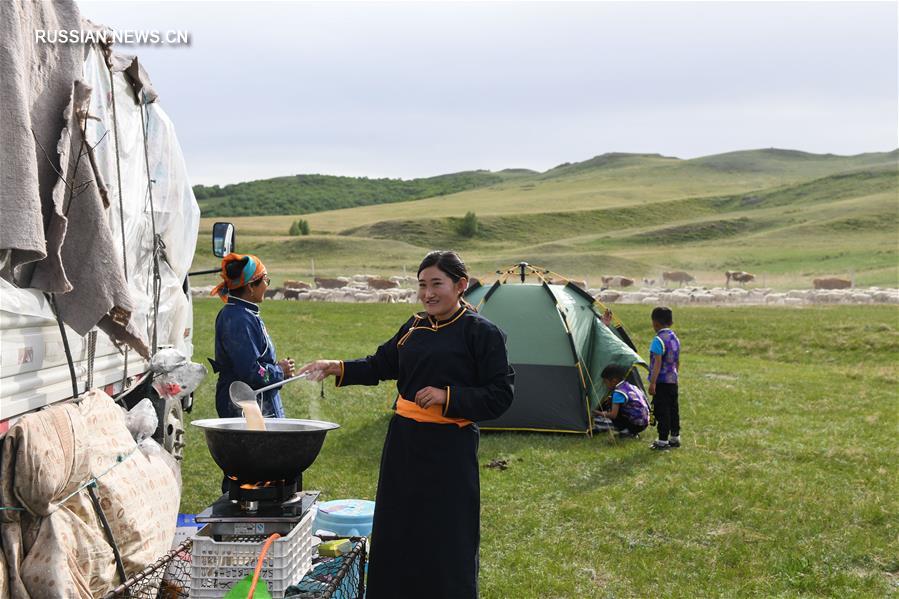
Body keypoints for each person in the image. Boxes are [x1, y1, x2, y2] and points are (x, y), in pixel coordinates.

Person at [299, 251, 514, 599]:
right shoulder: (413, 326)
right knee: (397, 529)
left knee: (446, 534)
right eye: (422, 285)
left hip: (449, 449)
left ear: (460, 286)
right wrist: (337, 366)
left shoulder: (483, 334)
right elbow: (380, 364)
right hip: (404, 443)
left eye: (436, 284)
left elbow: (501, 395)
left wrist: (449, 397)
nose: (428, 293)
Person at [208, 253, 295, 420]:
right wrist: (279, 371)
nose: (267, 286)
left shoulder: (242, 313)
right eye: (265, 281)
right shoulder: (239, 319)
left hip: (253, 403)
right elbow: (249, 371)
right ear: (250, 287)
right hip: (247, 408)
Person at [648, 306, 681, 450]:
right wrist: (675, 376)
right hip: (673, 380)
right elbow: (677, 361)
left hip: (661, 382)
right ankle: (675, 437)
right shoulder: (675, 339)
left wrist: (653, 382)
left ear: (655, 323)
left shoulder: (657, 340)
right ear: (671, 322)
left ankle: (662, 441)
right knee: (674, 409)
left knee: (662, 411)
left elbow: (657, 363)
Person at [593, 364, 650, 437]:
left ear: (613, 381)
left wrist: (598, 413)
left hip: (636, 424)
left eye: (605, 382)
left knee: (610, 406)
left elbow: (613, 415)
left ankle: (628, 431)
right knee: (612, 403)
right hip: (644, 422)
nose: (605, 385)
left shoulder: (618, 393)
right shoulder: (630, 386)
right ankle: (632, 431)